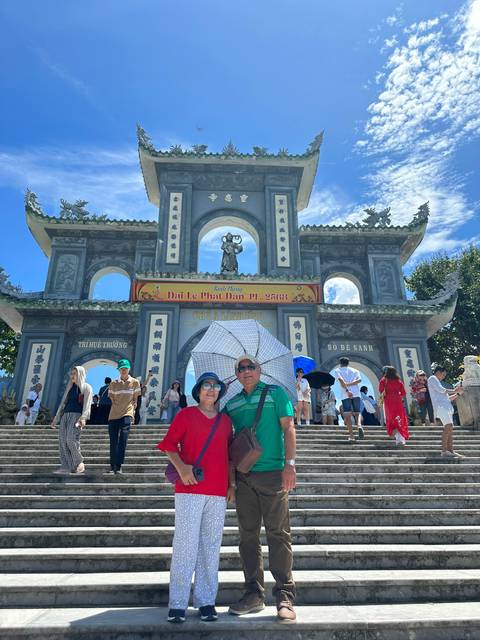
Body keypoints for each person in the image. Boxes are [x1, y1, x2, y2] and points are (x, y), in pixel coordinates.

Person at [224, 355, 297, 623]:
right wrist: (231, 481)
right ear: (236, 375)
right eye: (240, 368)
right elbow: (227, 443)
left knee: (278, 534)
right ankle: (254, 593)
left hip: (273, 474)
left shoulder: (276, 393)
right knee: (248, 537)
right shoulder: (231, 403)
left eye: (250, 367)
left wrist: (289, 465)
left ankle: (284, 596)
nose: (245, 371)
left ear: (260, 370)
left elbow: (288, 427)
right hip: (244, 478)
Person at [157, 372, 233, 624]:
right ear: (198, 390)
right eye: (206, 385)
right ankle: (177, 602)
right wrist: (182, 468)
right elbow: (169, 445)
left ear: (220, 391)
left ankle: (206, 601)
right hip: (190, 488)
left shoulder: (225, 421)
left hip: (217, 491)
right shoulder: (186, 415)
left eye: (216, 386)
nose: (211, 390)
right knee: (185, 545)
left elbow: (229, 455)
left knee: (210, 547)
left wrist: (231, 484)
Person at [51, 366, 93, 475]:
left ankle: (79, 463)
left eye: (75, 373)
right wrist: (56, 418)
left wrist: (83, 418)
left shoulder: (86, 388)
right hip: (65, 416)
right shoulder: (69, 388)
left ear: (80, 374)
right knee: (62, 441)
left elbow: (87, 405)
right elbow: (63, 404)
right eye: (72, 373)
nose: (72, 376)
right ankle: (66, 466)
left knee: (71, 439)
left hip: (76, 416)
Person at [107, 359, 141, 474]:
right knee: (113, 441)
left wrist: (134, 413)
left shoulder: (135, 382)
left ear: (129, 369)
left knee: (123, 439)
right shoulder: (113, 383)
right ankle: (112, 466)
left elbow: (135, 400)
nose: (123, 370)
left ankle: (119, 465)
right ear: (119, 369)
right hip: (114, 415)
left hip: (127, 414)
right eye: (121, 368)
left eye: (125, 368)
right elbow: (112, 399)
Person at [428, 365, 465, 457]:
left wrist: (458, 394)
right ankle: (444, 450)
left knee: (450, 429)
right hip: (441, 407)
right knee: (449, 426)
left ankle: (451, 451)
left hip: (446, 407)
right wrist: (454, 390)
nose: (443, 377)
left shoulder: (438, 383)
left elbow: (448, 398)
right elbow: (442, 390)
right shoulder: (432, 378)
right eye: (443, 375)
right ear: (438, 372)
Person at [333, 357, 363, 441]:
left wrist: (347, 389)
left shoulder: (337, 370)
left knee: (347, 415)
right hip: (356, 393)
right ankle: (359, 425)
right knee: (357, 412)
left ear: (340, 363)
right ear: (348, 363)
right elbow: (359, 380)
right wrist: (351, 384)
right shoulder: (355, 370)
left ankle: (352, 436)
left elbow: (341, 381)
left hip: (345, 394)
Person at [379, 366, 409, 446]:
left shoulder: (383, 380)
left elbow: (381, 391)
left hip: (388, 401)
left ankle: (396, 436)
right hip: (398, 401)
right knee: (399, 419)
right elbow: (403, 393)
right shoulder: (398, 381)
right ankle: (401, 440)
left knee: (391, 419)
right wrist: (397, 395)